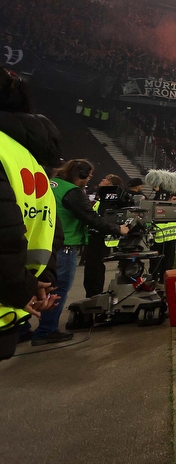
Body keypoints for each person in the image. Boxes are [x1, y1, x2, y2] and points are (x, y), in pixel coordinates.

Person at [0, 68, 62, 360]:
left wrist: (22, 287)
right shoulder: (31, 162)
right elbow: (51, 230)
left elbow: (6, 237)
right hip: (11, 310)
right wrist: (37, 282)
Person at [34, 159, 129, 345]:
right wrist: (119, 229)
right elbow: (90, 217)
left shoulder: (50, 184)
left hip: (41, 242)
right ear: (83, 175)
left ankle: (21, 328)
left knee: (37, 286)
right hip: (64, 244)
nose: (90, 180)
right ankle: (46, 331)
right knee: (58, 288)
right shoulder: (72, 192)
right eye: (90, 176)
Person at [83, 173, 124, 297]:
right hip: (94, 236)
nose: (102, 179)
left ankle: (94, 294)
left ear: (111, 185)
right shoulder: (101, 198)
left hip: (100, 237)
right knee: (94, 266)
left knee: (94, 267)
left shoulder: (109, 200)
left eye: (106, 179)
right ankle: (94, 293)